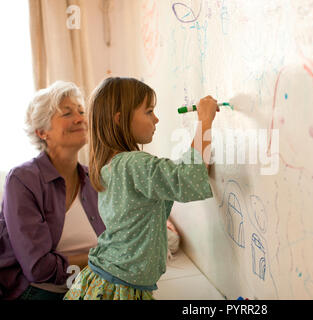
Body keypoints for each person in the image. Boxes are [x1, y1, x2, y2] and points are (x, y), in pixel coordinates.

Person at [64, 77, 218, 300]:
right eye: (148, 111)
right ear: (120, 119)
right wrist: (204, 121)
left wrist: (199, 160)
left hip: (108, 278)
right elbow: (187, 179)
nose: (156, 119)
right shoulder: (133, 164)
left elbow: (184, 174)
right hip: (119, 287)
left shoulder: (112, 163)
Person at [0, 81, 105, 300]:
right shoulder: (22, 180)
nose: (80, 119)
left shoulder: (93, 177)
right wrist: (103, 256)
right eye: (67, 113)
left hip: (89, 284)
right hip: (38, 291)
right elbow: (38, 268)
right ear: (42, 132)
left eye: (81, 111)